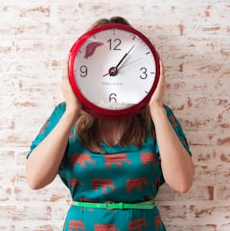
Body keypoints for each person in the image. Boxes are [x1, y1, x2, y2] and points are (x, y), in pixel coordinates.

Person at [26, 16, 194, 231]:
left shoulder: (158, 117)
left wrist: (157, 107)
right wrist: (72, 110)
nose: (110, 71)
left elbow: (182, 183)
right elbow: (35, 180)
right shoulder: (64, 114)